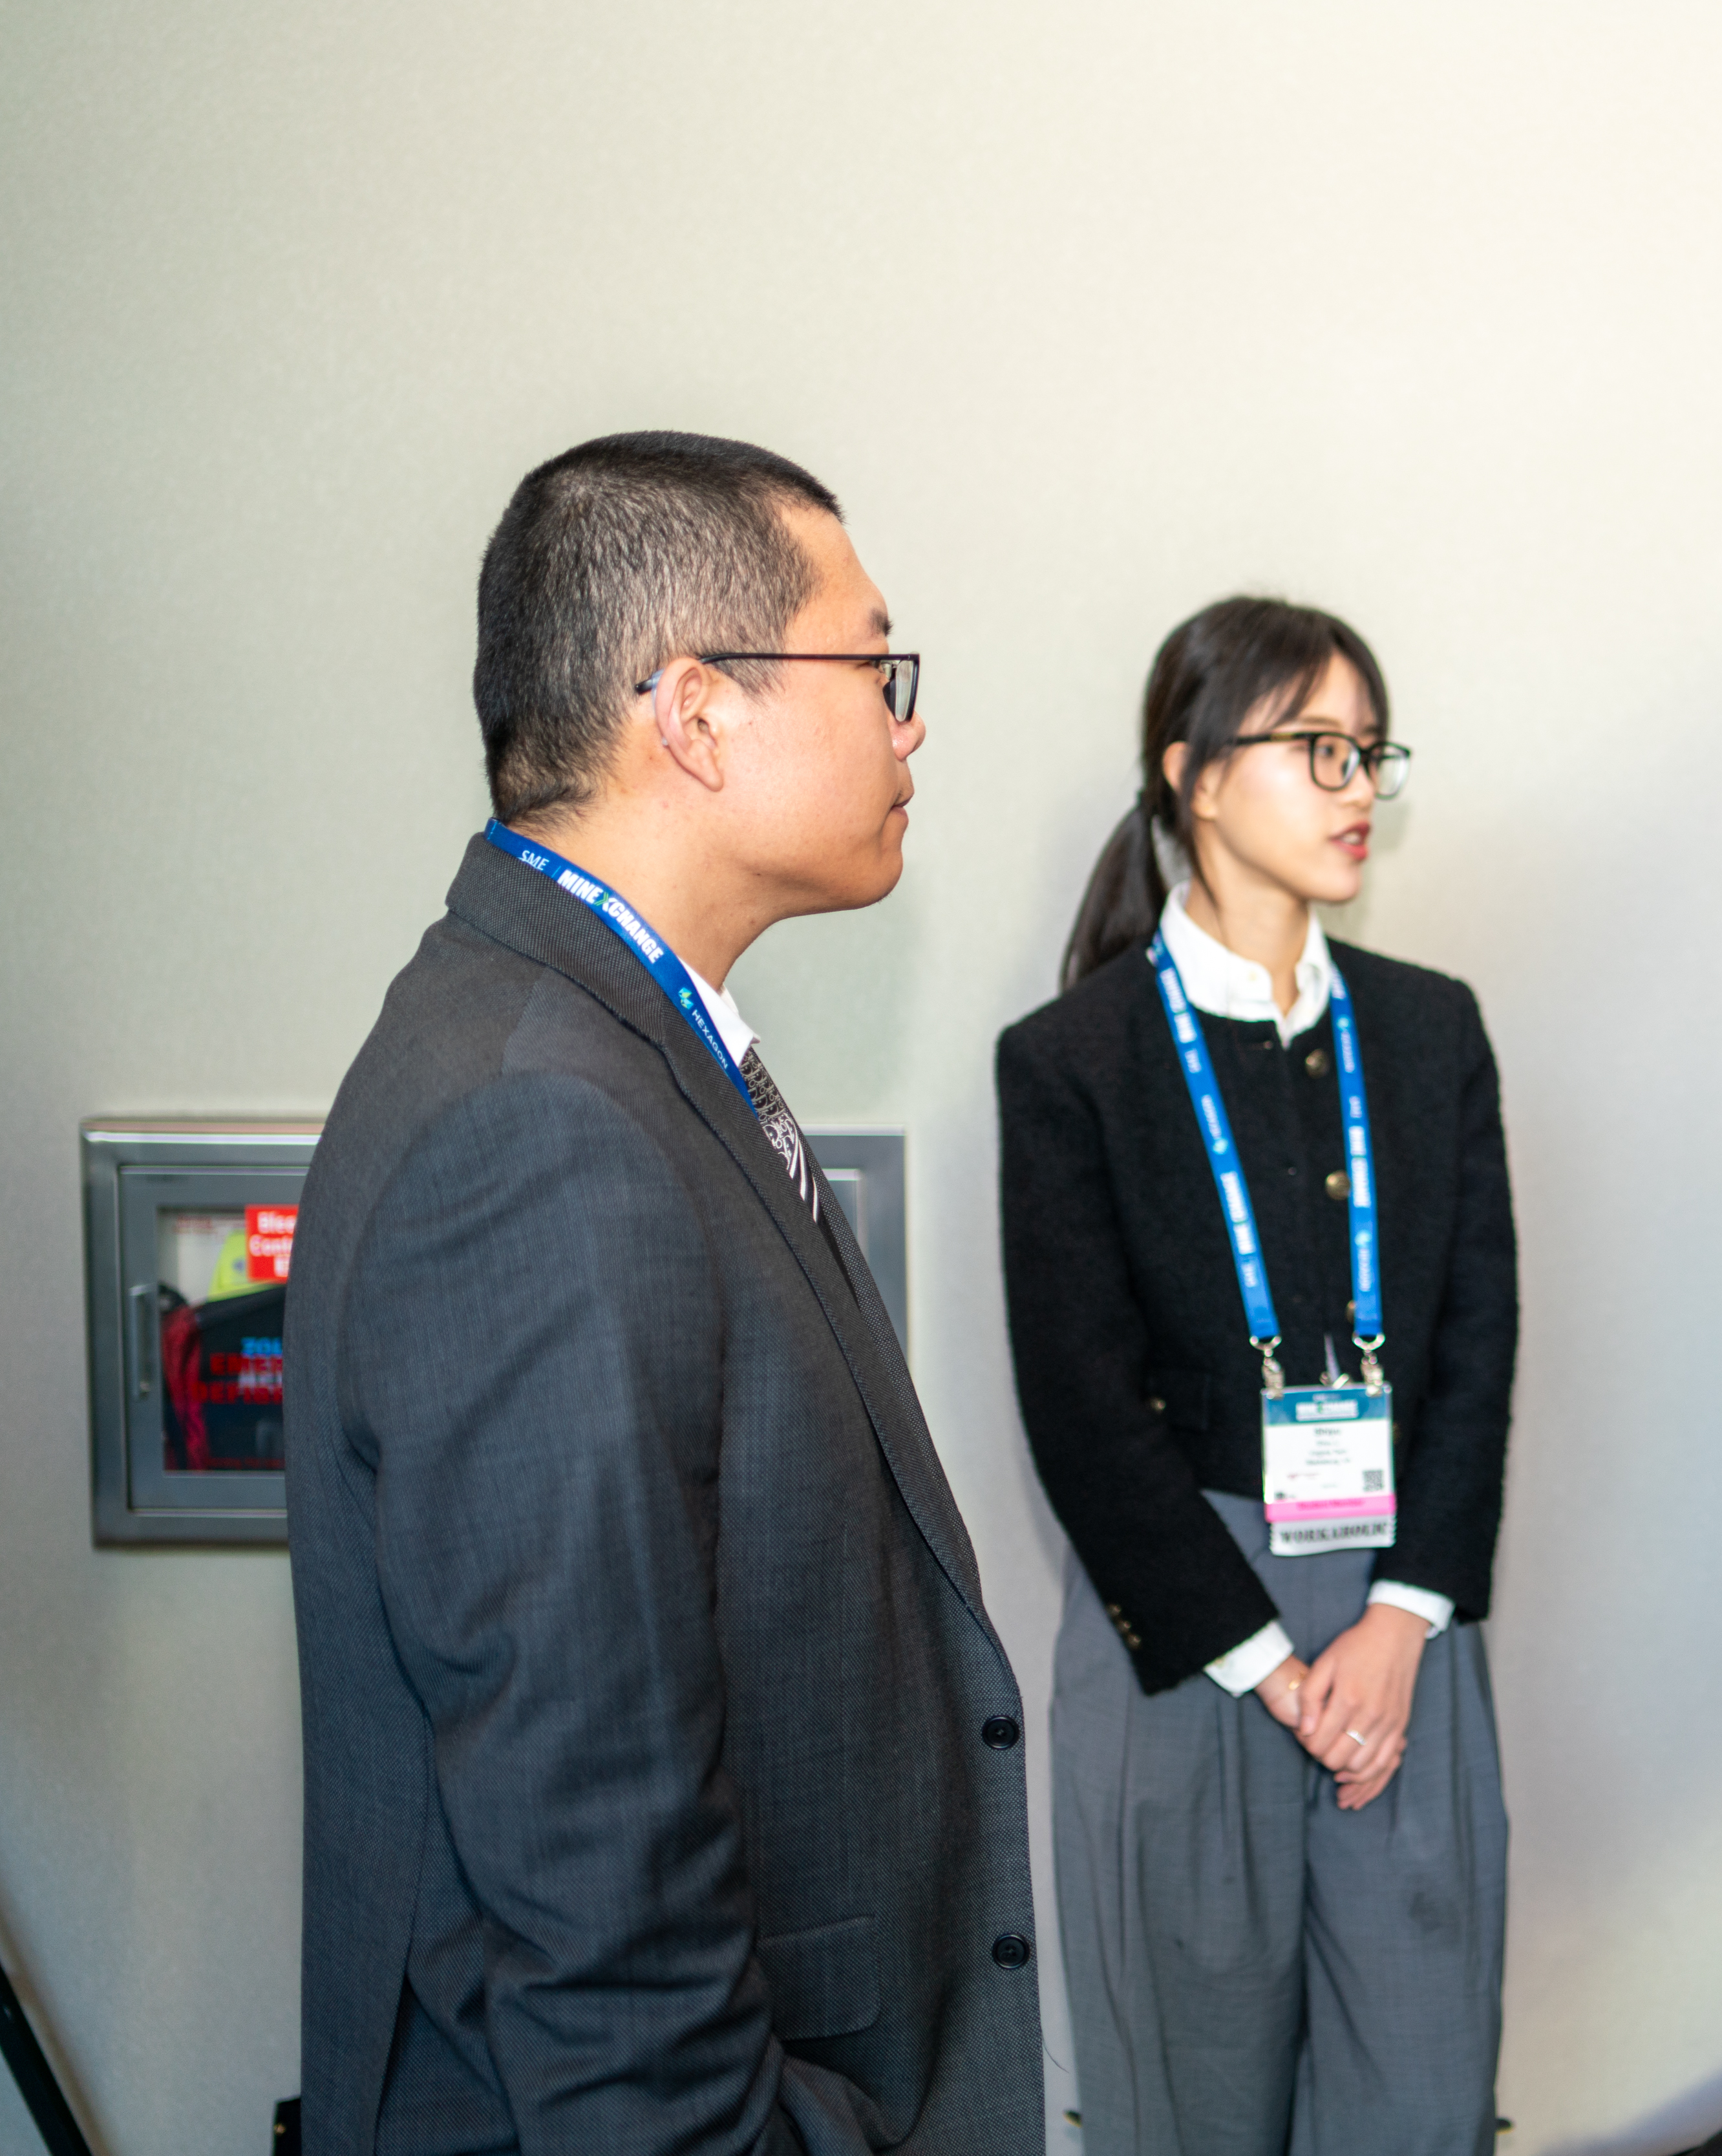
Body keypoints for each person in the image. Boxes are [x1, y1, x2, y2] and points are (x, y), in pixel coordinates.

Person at [286, 432, 1042, 2152]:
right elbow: (602, 1915)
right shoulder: (543, 1125)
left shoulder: (605, 1045)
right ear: (695, 712)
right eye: (874, 665)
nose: (908, 721)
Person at [997, 597, 1518, 2156]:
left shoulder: (1430, 1036)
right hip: (1187, 1633)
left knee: (1417, 2098)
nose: (1359, 788)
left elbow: (1475, 1355)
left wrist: (1400, 1619)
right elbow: (1078, 1407)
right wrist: (1270, 1665)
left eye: (1371, 755)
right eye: (1318, 750)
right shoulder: (1073, 1059)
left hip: (1402, 1638)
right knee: (1188, 2101)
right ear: (1195, 775)